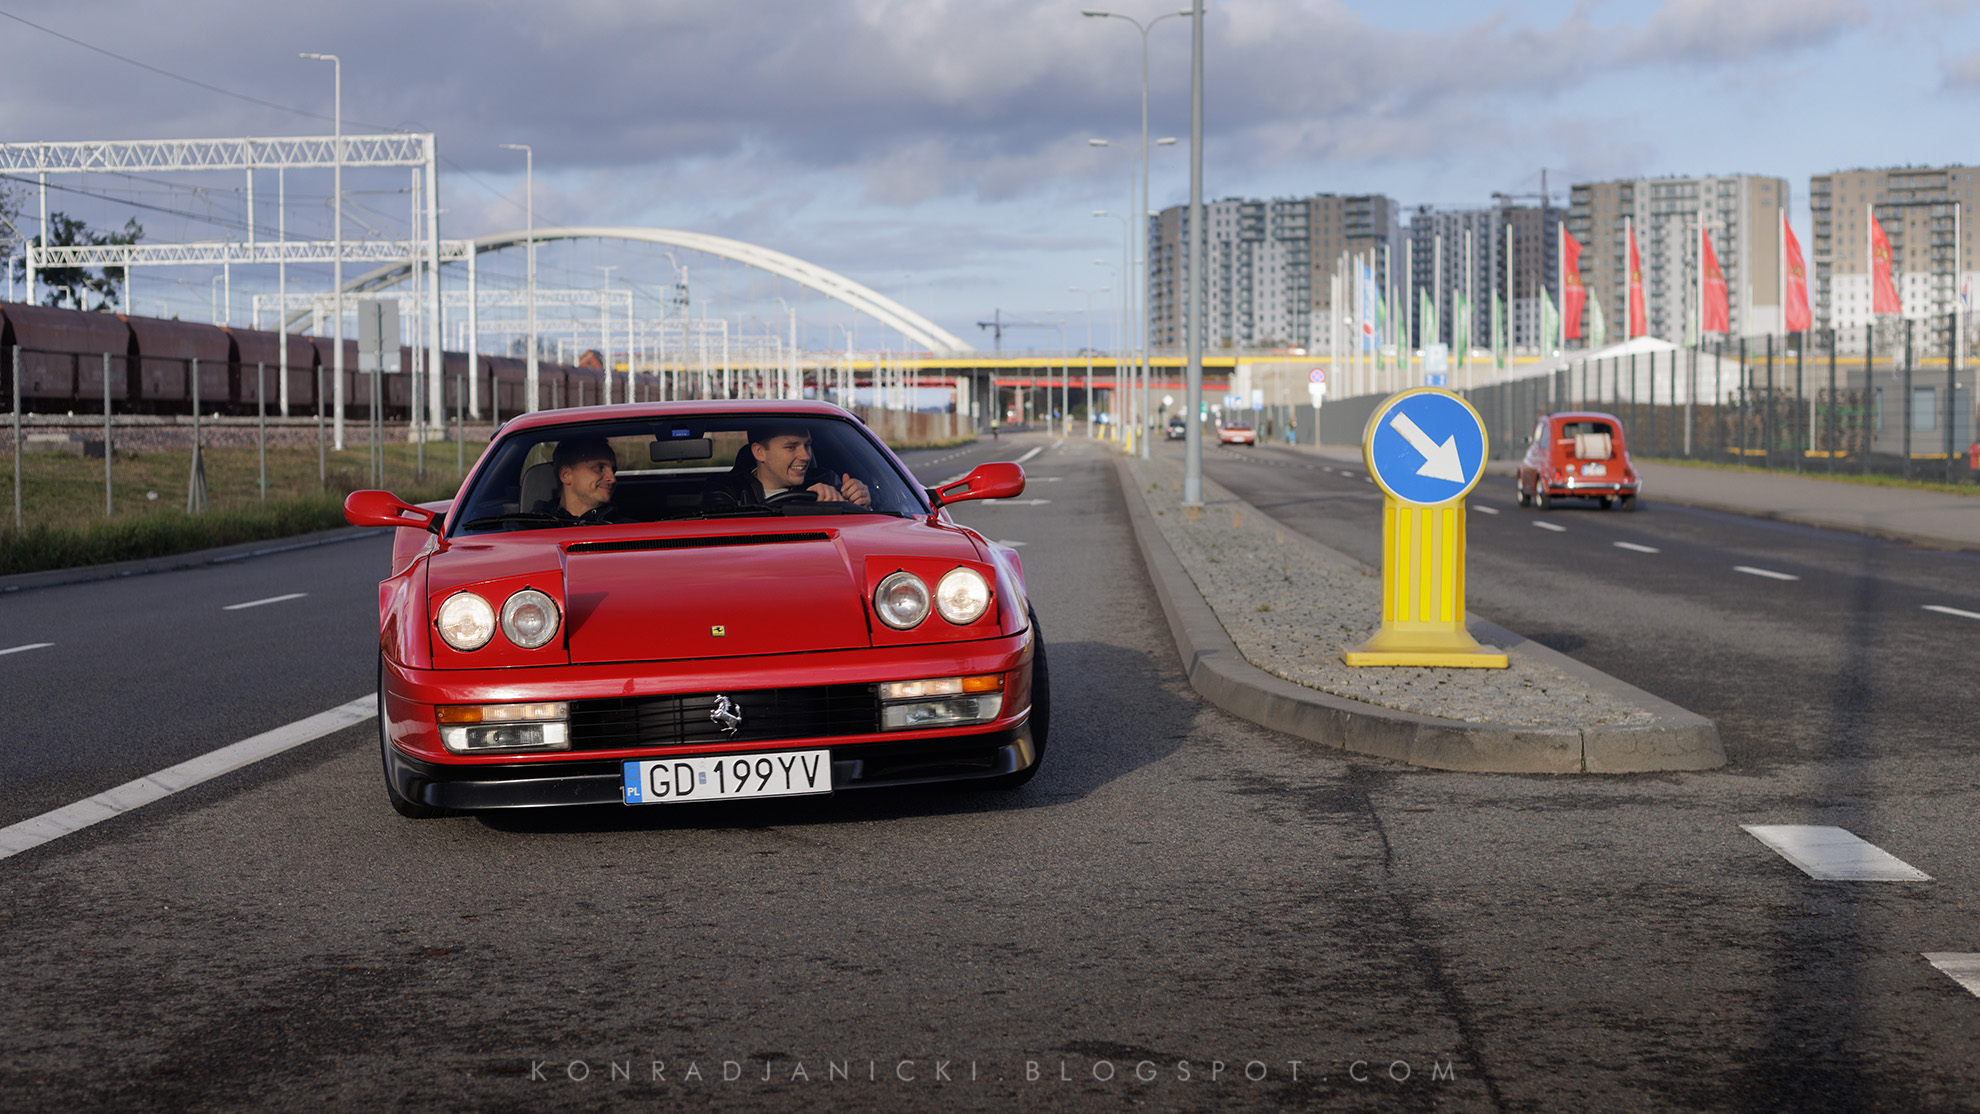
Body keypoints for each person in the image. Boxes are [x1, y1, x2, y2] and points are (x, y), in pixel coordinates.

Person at [706, 426, 871, 508]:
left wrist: (858, 502)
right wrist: (808, 507)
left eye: (807, 445)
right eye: (791, 447)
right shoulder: (726, 490)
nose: (806, 456)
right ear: (759, 452)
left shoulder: (828, 481)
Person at [540, 435, 628, 524]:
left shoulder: (626, 532)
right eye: (599, 468)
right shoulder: (534, 527)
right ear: (566, 475)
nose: (612, 479)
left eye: (613, 470)